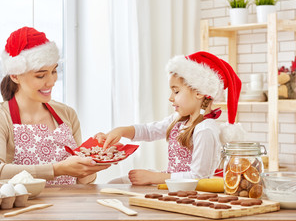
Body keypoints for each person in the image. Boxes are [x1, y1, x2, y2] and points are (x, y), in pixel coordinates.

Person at [0, 27, 110, 185]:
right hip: (24, 208)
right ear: (15, 76)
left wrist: (92, 162)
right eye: (40, 75)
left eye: (54, 71)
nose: (51, 81)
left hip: (70, 207)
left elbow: (82, 183)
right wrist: (57, 169)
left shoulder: (66, 114)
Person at [95, 51, 245, 185]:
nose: (170, 98)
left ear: (199, 92)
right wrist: (121, 131)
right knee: (114, 183)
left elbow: (199, 177)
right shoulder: (179, 119)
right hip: (172, 184)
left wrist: (154, 177)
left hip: (190, 193)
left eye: (176, 92)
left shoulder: (205, 130)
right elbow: (149, 130)